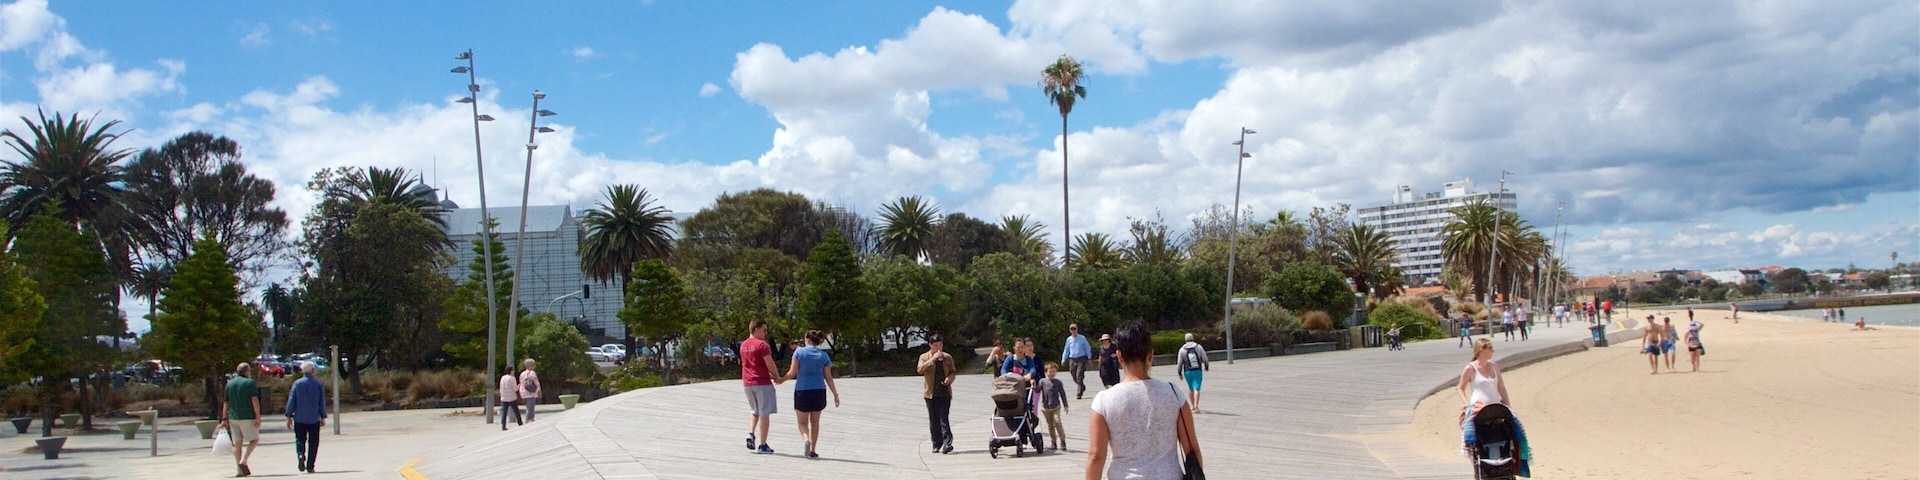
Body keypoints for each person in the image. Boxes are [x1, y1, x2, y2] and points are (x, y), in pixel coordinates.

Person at [1085, 321, 1200, 480]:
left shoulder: (1103, 400)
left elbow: (1096, 456)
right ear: (1150, 355)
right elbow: (1191, 449)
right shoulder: (1174, 394)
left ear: (1119, 356)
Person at [1456, 338, 1528, 473]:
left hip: (1496, 406)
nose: (1493, 351)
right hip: (1478, 407)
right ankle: (1474, 459)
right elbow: (1460, 388)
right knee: (1470, 430)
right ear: (1481, 350)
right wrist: (1467, 404)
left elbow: (1501, 387)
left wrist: (1508, 405)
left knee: (1516, 425)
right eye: (1490, 348)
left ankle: (1518, 459)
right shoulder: (1470, 368)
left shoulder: (1494, 366)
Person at [782, 330, 839, 459]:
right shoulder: (824, 356)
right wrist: (835, 394)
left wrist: (780, 379)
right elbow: (828, 377)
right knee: (815, 422)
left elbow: (792, 373)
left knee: (802, 422)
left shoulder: (799, 352)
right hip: (819, 391)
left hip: (803, 391)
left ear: (807, 339)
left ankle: (806, 439)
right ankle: (813, 450)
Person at [741, 319, 783, 454]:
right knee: (764, 412)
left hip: (747, 382)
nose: (765, 333)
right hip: (762, 382)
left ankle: (750, 433)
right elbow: (769, 363)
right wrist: (777, 376)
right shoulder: (762, 345)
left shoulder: (743, 345)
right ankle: (762, 444)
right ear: (756, 329)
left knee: (754, 410)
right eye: (764, 330)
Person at [916, 332, 956, 454]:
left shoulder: (947, 357)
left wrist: (950, 378)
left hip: (944, 393)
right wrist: (932, 360)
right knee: (934, 419)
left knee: (944, 418)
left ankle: (947, 443)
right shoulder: (924, 357)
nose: (939, 347)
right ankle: (936, 443)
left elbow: (953, 372)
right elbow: (920, 369)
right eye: (936, 345)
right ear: (930, 345)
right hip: (931, 393)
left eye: (941, 344)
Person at [220, 362, 262, 477]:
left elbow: (226, 402)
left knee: (237, 444)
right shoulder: (249, 383)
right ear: (247, 371)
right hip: (247, 416)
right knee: (254, 439)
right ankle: (243, 461)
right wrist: (257, 416)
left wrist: (224, 418)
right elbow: (254, 400)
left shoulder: (229, 384)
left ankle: (239, 470)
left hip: (233, 417)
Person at [284, 361, 327, 473]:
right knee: (314, 442)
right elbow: (321, 402)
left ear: (303, 371)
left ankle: (300, 454)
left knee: (300, 439)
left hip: (299, 417)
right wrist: (323, 416)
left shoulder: (297, 384)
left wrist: (288, 416)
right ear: (313, 371)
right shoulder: (318, 384)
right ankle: (310, 466)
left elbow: (292, 400)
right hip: (313, 418)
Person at [1176, 333, 1209, 413]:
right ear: (1193, 338)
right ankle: (1196, 406)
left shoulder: (1182, 349)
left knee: (1191, 389)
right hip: (1197, 370)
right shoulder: (1198, 347)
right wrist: (1206, 366)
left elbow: (1179, 362)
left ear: (1185, 340)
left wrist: (1179, 373)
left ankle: (1192, 405)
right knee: (1196, 388)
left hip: (1187, 371)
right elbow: (1204, 357)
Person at [1039, 362, 1069, 452]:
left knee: (1057, 422)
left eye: (1054, 372)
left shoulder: (1058, 383)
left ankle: (1063, 441)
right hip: (1045, 407)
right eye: (1050, 371)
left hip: (1056, 406)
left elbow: (1062, 394)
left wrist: (1066, 405)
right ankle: (1053, 442)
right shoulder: (1042, 381)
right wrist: (1033, 384)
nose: (1051, 373)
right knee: (1050, 425)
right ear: (1046, 372)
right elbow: (1037, 390)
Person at [1061, 324, 1093, 399]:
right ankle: (1082, 386)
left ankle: (1079, 393)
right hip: (1072, 358)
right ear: (1070, 330)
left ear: (1077, 329)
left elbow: (1087, 348)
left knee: (1079, 375)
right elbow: (1066, 350)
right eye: (1072, 329)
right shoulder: (1069, 339)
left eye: (1074, 329)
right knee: (1073, 373)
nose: (1073, 330)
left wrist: (1089, 357)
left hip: (1081, 358)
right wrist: (1063, 359)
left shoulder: (1082, 338)